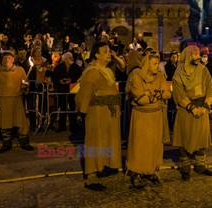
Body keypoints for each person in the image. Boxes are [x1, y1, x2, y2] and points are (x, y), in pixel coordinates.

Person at [75, 42, 122, 191]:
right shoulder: (93, 72)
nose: (109, 53)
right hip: (97, 114)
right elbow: (85, 93)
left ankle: (103, 165)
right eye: (105, 51)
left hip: (108, 114)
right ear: (97, 55)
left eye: (109, 50)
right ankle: (91, 174)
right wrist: (82, 112)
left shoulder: (106, 70)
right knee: (96, 140)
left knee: (107, 140)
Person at [127, 53, 171, 188]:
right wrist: (157, 94)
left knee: (154, 144)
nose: (157, 66)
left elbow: (168, 93)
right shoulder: (137, 76)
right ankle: (137, 172)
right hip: (142, 117)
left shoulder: (160, 76)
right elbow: (141, 99)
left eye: (158, 63)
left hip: (156, 115)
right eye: (154, 64)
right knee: (140, 144)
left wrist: (151, 94)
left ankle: (151, 170)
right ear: (147, 64)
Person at [172, 45, 212, 181]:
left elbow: (210, 89)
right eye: (195, 55)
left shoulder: (204, 71)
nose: (198, 57)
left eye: (198, 54)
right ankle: (185, 166)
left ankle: (200, 166)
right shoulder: (179, 73)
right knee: (184, 137)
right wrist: (192, 108)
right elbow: (179, 93)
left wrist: (204, 107)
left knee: (201, 137)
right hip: (186, 110)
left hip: (202, 108)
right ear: (187, 56)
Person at [0, 51, 34, 153]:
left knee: (20, 122)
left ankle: (24, 142)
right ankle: (6, 144)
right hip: (2, 100)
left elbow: (25, 83)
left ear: (13, 59)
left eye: (9, 58)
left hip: (16, 100)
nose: (6, 60)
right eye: (4, 58)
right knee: (5, 124)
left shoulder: (20, 70)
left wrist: (25, 86)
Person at [52, 52, 82, 133]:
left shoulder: (76, 67)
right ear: (64, 59)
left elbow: (79, 76)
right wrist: (60, 81)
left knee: (72, 108)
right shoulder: (58, 68)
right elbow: (54, 78)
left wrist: (71, 80)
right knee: (63, 108)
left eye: (72, 57)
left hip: (72, 90)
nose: (72, 58)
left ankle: (74, 126)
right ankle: (62, 126)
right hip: (62, 90)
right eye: (69, 57)